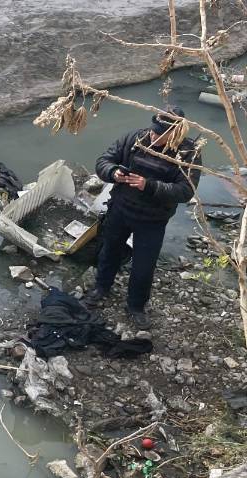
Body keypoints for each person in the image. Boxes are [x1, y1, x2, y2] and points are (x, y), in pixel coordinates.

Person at [87, 106, 202, 329]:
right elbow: (103, 160)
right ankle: (101, 288)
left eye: (160, 135)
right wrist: (113, 173)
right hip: (120, 209)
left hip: (152, 220)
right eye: (153, 131)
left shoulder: (188, 154)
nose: (153, 137)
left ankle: (136, 306)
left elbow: (185, 191)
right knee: (109, 250)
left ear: (175, 134)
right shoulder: (134, 138)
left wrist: (147, 185)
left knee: (144, 265)